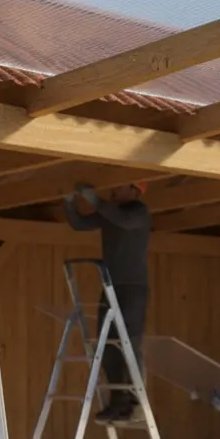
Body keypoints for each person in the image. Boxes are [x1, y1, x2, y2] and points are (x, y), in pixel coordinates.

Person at [61, 181, 151, 424]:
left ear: (134, 189)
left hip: (132, 288)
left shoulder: (139, 212)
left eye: (119, 186)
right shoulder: (111, 213)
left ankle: (136, 404)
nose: (113, 190)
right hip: (111, 286)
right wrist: (69, 202)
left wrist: (95, 201)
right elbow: (79, 224)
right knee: (108, 344)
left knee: (129, 342)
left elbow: (124, 221)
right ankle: (118, 401)